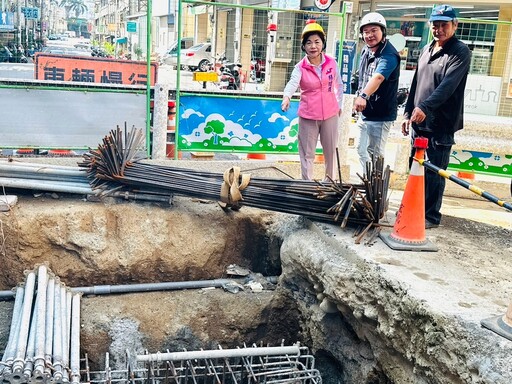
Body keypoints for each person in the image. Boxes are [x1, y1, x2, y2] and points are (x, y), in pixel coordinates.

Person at [401, 4, 470, 228]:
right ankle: (414, 210)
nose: (439, 30)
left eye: (444, 25)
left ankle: (430, 216)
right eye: (435, 25)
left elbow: (447, 87)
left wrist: (425, 108)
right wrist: (408, 112)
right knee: (416, 168)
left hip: (440, 124)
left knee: (434, 172)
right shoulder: (427, 49)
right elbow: (416, 83)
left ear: (455, 25)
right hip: (419, 122)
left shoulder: (460, 52)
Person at [281, 21, 344, 180]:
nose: (313, 46)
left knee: (330, 152)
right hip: (308, 116)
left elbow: (339, 85)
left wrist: (339, 105)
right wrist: (286, 96)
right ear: (303, 46)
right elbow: (293, 83)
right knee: (307, 153)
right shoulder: (300, 67)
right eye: (308, 43)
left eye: (317, 42)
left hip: (330, 114)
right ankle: (307, 184)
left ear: (323, 43)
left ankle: (330, 182)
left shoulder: (331, 62)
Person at [353, 12, 400, 173]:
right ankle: (369, 185)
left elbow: (378, 77)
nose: (369, 35)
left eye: (374, 30)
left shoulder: (389, 54)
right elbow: (363, 75)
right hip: (366, 112)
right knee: (361, 150)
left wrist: (363, 96)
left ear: (383, 31)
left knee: (375, 154)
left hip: (380, 114)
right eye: (366, 32)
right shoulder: (367, 50)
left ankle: (378, 192)